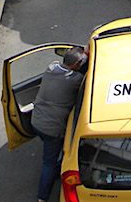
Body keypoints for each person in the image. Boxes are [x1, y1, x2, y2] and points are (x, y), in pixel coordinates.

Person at [31, 46, 88, 202]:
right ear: (77, 64)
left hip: (36, 121)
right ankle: (42, 197)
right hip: (52, 129)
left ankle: (57, 169)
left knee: (51, 153)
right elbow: (85, 79)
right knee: (48, 162)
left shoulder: (51, 68)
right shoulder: (75, 80)